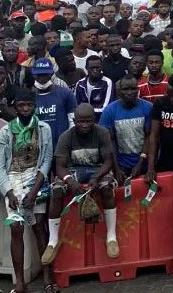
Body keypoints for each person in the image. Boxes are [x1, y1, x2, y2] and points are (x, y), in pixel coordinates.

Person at [42, 104, 118, 268]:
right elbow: (60, 166)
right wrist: (70, 180)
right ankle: (53, 240)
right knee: (56, 191)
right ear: (74, 120)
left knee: (107, 188)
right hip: (74, 170)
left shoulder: (102, 133)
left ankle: (111, 236)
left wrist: (97, 177)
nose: (84, 125)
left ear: (94, 120)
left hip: (97, 168)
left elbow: (108, 161)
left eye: (88, 121)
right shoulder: (66, 136)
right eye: (81, 121)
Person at [0, 88, 54, 293]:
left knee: (39, 227)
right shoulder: (6, 130)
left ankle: (47, 276)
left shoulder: (44, 128)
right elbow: (0, 166)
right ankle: (20, 281)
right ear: (15, 107)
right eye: (21, 105)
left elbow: (46, 160)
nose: (25, 109)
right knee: (16, 229)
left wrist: (34, 190)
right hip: (13, 180)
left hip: (35, 179)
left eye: (29, 105)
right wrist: (8, 192)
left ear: (34, 106)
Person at [99, 75, 153, 181]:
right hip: (120, 164)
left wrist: (140, 163)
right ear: (119, 91)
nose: (129, 92)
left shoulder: (148, 107)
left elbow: (149, 137)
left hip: (144, 163)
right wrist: (116, 168)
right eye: (125, 89)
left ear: (138, 89)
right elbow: (109, 142)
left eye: (133, 89)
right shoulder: (110, 110)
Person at [31, 58, 77, 148]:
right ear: (33, 75)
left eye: (45, 75)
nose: (42, 78)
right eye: (38, 75)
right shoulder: (29, 97)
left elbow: (73, 121)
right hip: (38, 147)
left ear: (51, 74)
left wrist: (70, 142)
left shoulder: (66, 93)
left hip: (62, 146)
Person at [74, 55, 115, 120]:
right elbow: (75, 106)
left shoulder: (108, 82)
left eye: (97, 67)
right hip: (83, 122)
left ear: (101, 67)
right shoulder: (80, 84)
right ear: (86, 68)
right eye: (92, 68)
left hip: (101, 120)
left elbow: (106, 108)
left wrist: (85, 112)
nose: (95, 70)